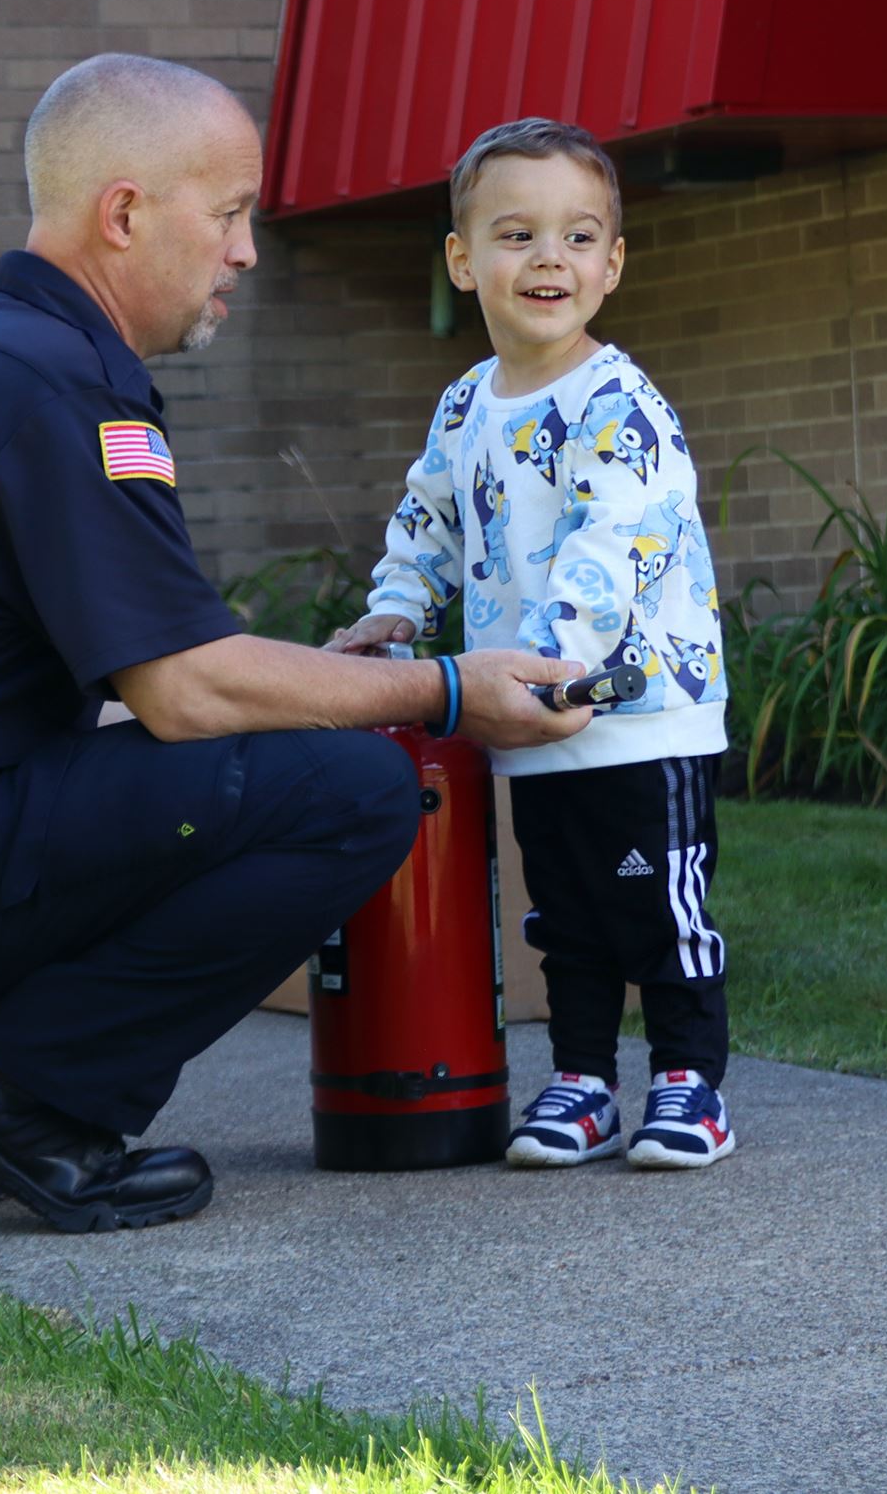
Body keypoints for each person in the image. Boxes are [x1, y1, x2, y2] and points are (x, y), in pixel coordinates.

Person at [0, 53, 589, 1233]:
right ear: (123, 214)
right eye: (224, 214)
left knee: (258, 763)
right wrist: (438, 686)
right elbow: (183, 688)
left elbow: (129, 687)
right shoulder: (63, 388)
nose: (243, 253)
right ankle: (16, 1095)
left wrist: (328, 677)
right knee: (356, 789)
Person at [327, 119, 738, 1170]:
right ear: (464, 261)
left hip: (635, 709)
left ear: (610, 264)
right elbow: (429, 525)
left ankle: (690, 1082)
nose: (547, 258)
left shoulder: (617, 404)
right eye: (515, 235)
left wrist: (550, 658)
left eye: (576, 235)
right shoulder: (466, 405)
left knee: (660, 906)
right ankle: (585, 1079)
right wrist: (397, 611)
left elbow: (615, 546)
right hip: (529, 711)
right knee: (565, 913)